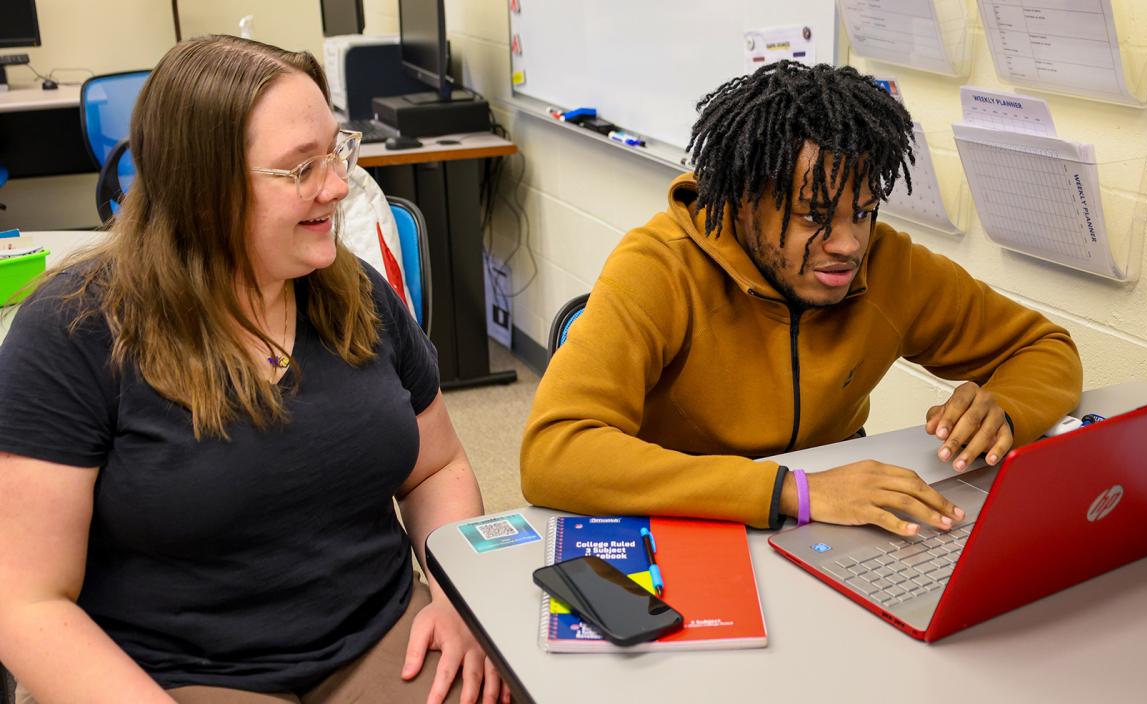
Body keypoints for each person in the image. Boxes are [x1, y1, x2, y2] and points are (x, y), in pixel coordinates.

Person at [0, 36, 507, 704]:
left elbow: (437, 467)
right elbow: (27, 601)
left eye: (336, 151)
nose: (336, 186)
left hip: (381, 635)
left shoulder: (352, 292)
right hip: (180, 674)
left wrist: (455, 598)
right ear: (201, 190)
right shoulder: (73, 330)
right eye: (301, 169)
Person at [521, 62, 1083, 534]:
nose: (848, 245)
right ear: (742, 200)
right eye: (814, 216)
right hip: (686, 518)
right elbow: (555, 451)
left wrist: (1005, 407)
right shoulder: (659, 266)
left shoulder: (890, 264)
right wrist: (796, 493)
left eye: (863, 212)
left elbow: (1044, 347)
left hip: (831, 524)